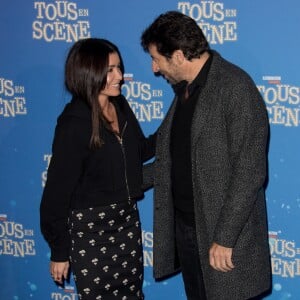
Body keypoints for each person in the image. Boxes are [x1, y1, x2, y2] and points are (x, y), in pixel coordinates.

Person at [141, 11, 271, 300]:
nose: (154, 69)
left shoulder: (234, 87)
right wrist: (118, 182)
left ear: (177, 55)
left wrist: (225, 238)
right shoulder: (185, 92)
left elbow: (250, 170)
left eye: (156, 59)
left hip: (223, 237)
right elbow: (172, 156)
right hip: (189, 229)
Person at [40, 38, 155, 300]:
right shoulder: (73, 124)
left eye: (119, 68)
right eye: (111, 70)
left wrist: (175, 126)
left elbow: (140, 151)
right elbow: (55, 196)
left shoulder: (120, 106)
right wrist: (59, 251)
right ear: (89, 73)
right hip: (91, 232)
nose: (120, 76)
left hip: (126, 222)